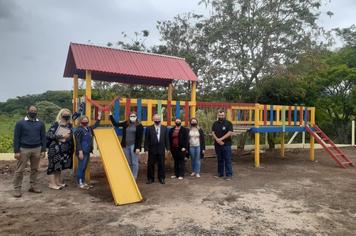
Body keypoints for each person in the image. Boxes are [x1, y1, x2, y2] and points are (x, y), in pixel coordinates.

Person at [12, 105, 46, 197]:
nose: (33, 112)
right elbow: (16, 137)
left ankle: (33, 186)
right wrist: (16, 151)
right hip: (23, 149)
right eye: (31, 110)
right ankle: (17, 188)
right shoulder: (20, 123)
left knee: (35, 169)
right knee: (20, 170)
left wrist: (43, 150)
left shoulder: (40, 123)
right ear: (27, 111)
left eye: (35, 111)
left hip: (37, 149)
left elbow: (43, 137)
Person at [109, 111, 144, 179]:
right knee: (129, 161)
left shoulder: (139, 125)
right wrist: (111, 116)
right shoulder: (126, 123)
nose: (132, 117)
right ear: (129, 117)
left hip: (134, 146)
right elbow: (116, 124)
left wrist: (138, 148)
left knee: (134, 162)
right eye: (131, 116)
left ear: (136, 117)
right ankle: (130, 175)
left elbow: (140, 138)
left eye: (134, 116)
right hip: (126, 146)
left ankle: (134, 176)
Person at [46, 108, 74, 190]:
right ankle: (51, 183)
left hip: (65, 150)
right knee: (52, 166)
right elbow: (49, 134)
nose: (66, 116)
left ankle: (57, 182)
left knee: (59, 166)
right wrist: (61, 136)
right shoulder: (56, 124)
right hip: (55, 149)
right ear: (61, 115)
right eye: (65, 115)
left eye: (68, 115)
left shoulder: (70, 125)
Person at [74, 112, 101, 189]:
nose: (85, 122)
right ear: (80, 121)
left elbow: (95, 126)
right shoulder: (79, 130)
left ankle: (83, 182)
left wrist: (99, 117)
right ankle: (79, 182)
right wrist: (80, 152)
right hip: (82, 151)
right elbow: (78, 142)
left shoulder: (88, 128)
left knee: (84, 167)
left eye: (86, 120)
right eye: (84, 120)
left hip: (87, 151)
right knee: (81, 167)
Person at [144, 114, 170, 184]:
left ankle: (161, 178)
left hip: (161, 150)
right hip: (152, 150)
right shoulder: (149, 128)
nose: (157, 120)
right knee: (150, 165)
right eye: (155, 119)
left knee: (161, 164)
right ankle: (150, 179)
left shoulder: (165, 128)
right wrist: (146, 149)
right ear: (153, 119)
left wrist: (168, 149)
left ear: (160, 119)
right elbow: (146, 140)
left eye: (158, 119)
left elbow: (166, 139)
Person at [211, 110, 234, 180]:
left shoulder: (228, 123)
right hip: (217, 144)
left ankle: (229, 175)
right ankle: (220, 174)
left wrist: (220, 139)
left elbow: (230, 132)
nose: (221, 116)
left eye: (222, 115)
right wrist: (217, 140)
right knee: (219, 159)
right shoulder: (215, 123)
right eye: (219, 115)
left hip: (226, 144)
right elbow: (213, 132)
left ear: (224, 116)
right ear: (218, 116)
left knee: (227, 159)